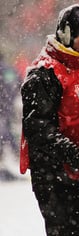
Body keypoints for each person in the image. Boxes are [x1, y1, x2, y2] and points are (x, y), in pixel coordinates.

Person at [20, 4, 79, 236]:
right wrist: (77, 157)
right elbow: (38, 130)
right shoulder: (44, 73)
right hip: (58, 180)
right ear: (67, 36)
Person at [0, 52, 21, 181]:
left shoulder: (5, 69)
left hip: (3, 105)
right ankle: (13, 150)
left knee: (4, 131)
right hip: (7, 105)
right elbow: (18, 82)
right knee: (6, 128)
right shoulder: (9, 69)